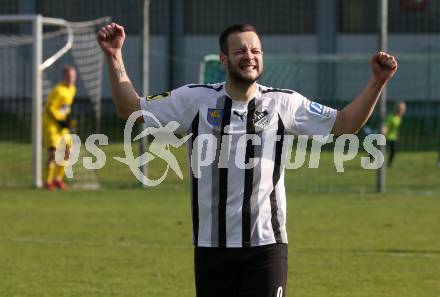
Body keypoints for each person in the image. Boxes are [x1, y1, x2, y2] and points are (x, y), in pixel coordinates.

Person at [97, 23, 397, 297]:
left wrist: (376, 83)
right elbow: (130, 108)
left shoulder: (284, 102)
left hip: (266, 246)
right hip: (211, 246)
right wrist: (115, 56)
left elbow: (345, 123)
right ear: (224, 60)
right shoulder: (195, 100)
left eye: (255, 50)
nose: (249, 56)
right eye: (240, 50)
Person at [42, 65, 77, 191]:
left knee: (67, 151)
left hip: (61, 124)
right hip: (51, 124)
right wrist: (59, 121)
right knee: (52, 153)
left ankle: (58, 179)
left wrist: (68, 120)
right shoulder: (58, 90)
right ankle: (47, 181)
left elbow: (65, 107)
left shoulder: (72, 89)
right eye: (68, 76)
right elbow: (49, 108)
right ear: (63, 77)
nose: (71, 79)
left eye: (73, 76)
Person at [383, 101, 406, 167]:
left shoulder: (399, 118)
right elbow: (386, 126)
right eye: (402, 109)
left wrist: (397, 135)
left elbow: (396, 128)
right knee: (379, 149)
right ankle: (369, 159)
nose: (403, 111)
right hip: (387, 137)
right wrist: (383, 134)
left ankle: (390, 164)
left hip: (393, 138)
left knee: (393, 151)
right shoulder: (391, 117)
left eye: (404, 109)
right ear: (397, 109)